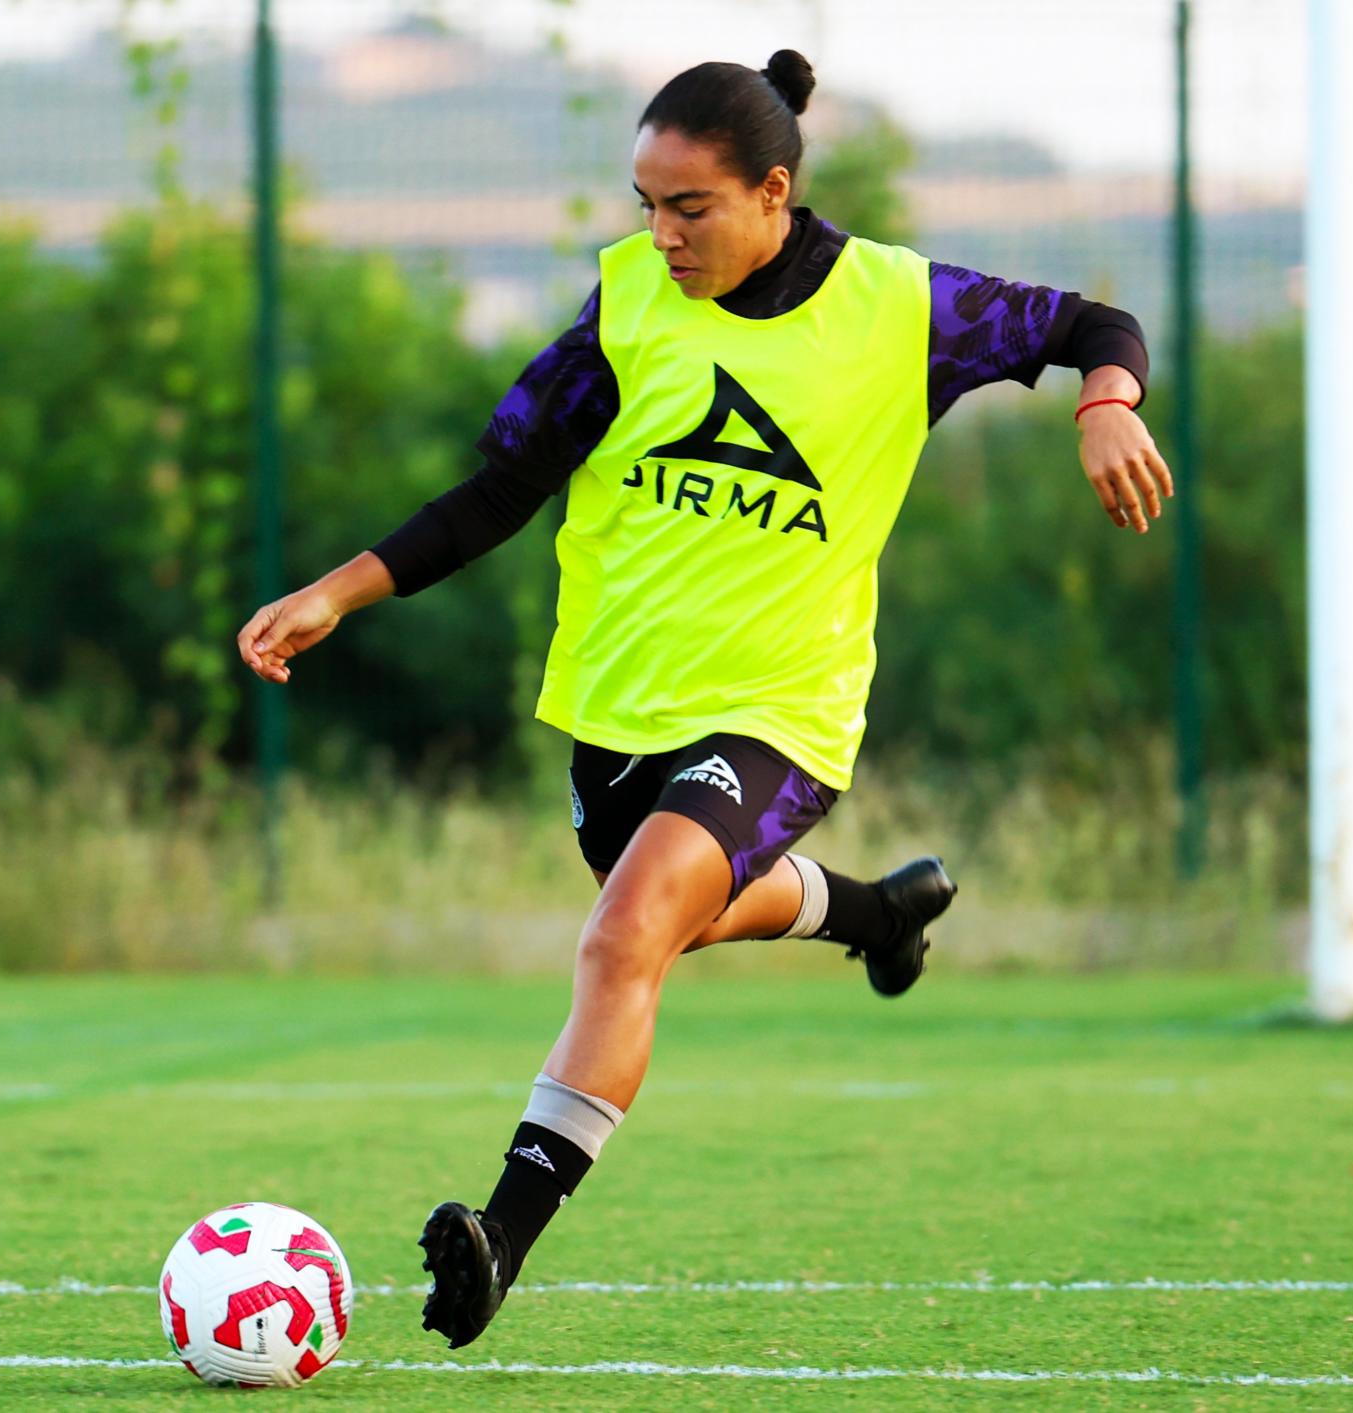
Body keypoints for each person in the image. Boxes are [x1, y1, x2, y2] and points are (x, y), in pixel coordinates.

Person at [235, 50, 1171, 1350]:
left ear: (774, 191)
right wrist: (337, 591)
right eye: (645, 204)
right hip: (617, 711)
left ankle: (503, 1233)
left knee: (627, 935)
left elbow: (1092, 328)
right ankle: (873, 910)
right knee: (669, 905)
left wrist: (1106, 406)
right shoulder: (626, 307)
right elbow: (500, 488)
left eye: (693, 207)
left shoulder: (900, 307)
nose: (663, 233)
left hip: (785, 712)